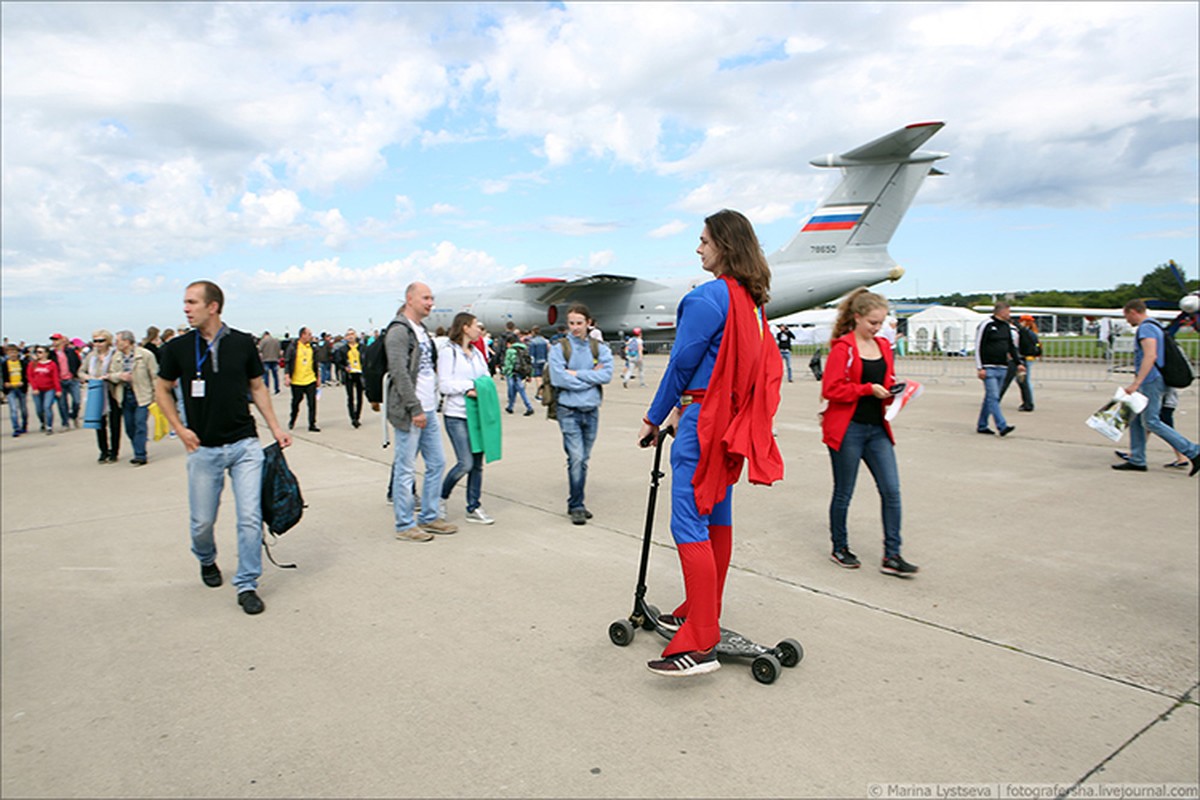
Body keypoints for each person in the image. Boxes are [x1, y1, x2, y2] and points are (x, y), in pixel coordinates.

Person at [636, 209, 784, 676]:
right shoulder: (753, 305)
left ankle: (701, 641)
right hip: (730, 424)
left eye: (703, 241)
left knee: (688, 527)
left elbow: (681, 365)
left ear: (724, 245)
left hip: (703, 423)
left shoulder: (707, 299)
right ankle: (703, 609)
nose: (698, 248)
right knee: (717, 518)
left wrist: (653, 417)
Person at [155, 280, 292, 615]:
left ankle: (247, 583)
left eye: (191, 302)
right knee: (202, 522)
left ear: (212, 306)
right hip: (203, 448)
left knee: (250, 516)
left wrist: (275, 428)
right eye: (185, 302)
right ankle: (206, 558)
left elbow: (257, 387)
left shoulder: (243, 343)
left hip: (245, 444)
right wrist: (180, 429)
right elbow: (162, 389)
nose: (186, 308)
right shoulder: (178, 348)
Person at [821, 288, 918, 577]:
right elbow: (830, 389)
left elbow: (886, 381)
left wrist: (897, 393)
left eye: (882, 322)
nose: (878, 328)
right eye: (873, 323)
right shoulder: (843, 348)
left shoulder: (884, 347)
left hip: (877, 429)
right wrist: (866, 389)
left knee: (892, 491)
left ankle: (893, 554)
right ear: (857, 317)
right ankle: (840, 547)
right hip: (848, 429)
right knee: (844, 492)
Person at [383, 282, 457, 541]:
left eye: (431, 298)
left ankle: (429, 516)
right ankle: (405, 524)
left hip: (428, 408)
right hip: (411, 411)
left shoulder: (422, 330)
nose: (430, 302)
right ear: (409, 299)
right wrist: (414, 408)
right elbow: (399, 373)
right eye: (425, 298)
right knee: (406, 468)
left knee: (437, 462)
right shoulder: (398, 331)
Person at [1110, 299, 1200, 475]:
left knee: (1151, 421)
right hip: (1152, 378)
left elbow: (1150, 355)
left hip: (1151, 380)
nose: (1127, 320)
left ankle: (1193, 451)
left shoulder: (1146, 328)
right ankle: (1137, 459)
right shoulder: (1156, 326)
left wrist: (1137, 382)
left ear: (1133, 312)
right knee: (1136, 419)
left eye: (1126, 315)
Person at [548, 302, 613, 525]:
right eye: (571, 323)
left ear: (588, 323)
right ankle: (577, 505)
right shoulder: (559, 348)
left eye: (579, 323)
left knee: (583, 460)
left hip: (591, 411)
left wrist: (576, 374)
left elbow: (606, 375)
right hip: (568, 411)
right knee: (576, 458)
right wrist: (588, 379)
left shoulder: (599, 348)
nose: (575, 327)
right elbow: (558, 379)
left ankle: (575, 500)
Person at [438, 312, 499, 524]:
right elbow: (444, 385)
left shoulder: (478, 354)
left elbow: (487, 379)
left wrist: (480, 387)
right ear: (465, 327)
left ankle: (473, 506)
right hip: (457, 415)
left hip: (477, 412)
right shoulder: (448, 353)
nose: (479, 330)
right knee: (464, 463)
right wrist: (469, 387)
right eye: (476, 326)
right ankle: (441, 497)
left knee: (477, 464)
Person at [973, 301, 1023, 437]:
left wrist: (1018, 362)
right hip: (988, 367)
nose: (1009, 314)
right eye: (1008, 311)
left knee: (990, 398)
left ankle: (982, 425)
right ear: (1000, 311)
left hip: (1002, 367)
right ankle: (1002, 425)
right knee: (994, 397)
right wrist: (980, 367)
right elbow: (978, 346)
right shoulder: (987, 324)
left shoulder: (1007, 327)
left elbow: (1011, 346)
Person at [110, 330, 158, 466]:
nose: (116, 343)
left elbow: (154, 375)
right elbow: (111, 375)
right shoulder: (116, 357)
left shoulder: (145, 355)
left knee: (140, 424)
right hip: (125, 395)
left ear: (127, 341)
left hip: (142, 394)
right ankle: (139, 444)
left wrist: (156, 396)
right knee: (129, 427)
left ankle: (140, 454)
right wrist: (120, 376)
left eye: (118, 341)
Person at [79, 330, 122, 462]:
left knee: (115, 423)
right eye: (95, 341)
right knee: (99, 423)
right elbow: (80, 371)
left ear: (108, 341)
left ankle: (114, 451)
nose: (97, 344)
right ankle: (103, 451)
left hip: (112, 391)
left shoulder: (115, 354)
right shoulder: (91, 356)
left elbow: (120, 371)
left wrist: (109, 376)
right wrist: (89, 377)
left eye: (101, 341)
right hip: (96, 391)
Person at [284, 327, 321, 432]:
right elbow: (287, 361)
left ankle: (312, 424)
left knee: (312, 403)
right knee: (296, 402)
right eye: (309, 334)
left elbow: (316, 363)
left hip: (310, 379)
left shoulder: (313, 348)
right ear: (302, 335)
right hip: (297, 380)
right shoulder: (293, 347)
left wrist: (318, 377)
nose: (311, 336)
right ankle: (292, 419)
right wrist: (287, 375)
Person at [1001, 315, 1039, 412]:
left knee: (1006, 381)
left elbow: (1011, 345)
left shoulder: (1012, 331)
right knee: (1023, 382)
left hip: (1015, 359)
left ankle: (994, 401)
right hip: (1024, 358)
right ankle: (1028, 403)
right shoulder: (1025, 331)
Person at [26, 344, 62, 435]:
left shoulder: (52, 364)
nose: (39, 354)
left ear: (46, 353)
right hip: (37, 390)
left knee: (47, 407)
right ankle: (43, 422)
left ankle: (49, 426)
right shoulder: (33, 364)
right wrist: (34, 388)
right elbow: (30, 376)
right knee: (39, 409)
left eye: (41, 352)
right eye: (37, 352)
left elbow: (55, 377)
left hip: (49, 388)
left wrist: (58, 390)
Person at [49, 333, 82, 429]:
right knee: (62, 404)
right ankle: (65, 422)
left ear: (62, 340)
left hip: (72, 379)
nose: (55, 342)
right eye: (53, 340)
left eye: (57, 340)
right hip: (59, 381)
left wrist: (77, 375)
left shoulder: (71, 352)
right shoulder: (51, 354)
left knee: (77, 401)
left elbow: (78, 363)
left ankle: (74, 415)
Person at [333, 328, 366, 428]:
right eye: (348, 335)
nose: (350, 336)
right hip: (349, 374)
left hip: (360, 373)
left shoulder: (362, 347)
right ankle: (353, 417)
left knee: (360, 396)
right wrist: (344, 368)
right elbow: (338, 362)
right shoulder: (342, 349)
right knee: (350, 396)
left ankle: (357, 415)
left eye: (352, 334)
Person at [501, 331, 535, 415]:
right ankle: (510, 406)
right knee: (518, 389)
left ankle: (528, 406)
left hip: (512, 373)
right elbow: (528, 362)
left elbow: (508, 363)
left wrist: (504, 372)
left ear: (509, 343)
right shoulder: (524, 348)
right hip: (521, 372)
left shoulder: (510, 351)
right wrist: (529, 374)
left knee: (513, 390)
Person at [3, 343, 29, 436]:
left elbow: (27, 376)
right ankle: (16, 428)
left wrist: (24, 382)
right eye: (10, 352)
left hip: (20, 387)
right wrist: (4, 385)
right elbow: (3, 377)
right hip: (10, 389)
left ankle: (24, 424)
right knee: (13, 409)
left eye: (14, 352)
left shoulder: (22, 363)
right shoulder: (4, 364)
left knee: (23, 409)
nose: (12, 354)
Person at [527, 325, 549, 395]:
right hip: (544, 360)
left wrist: (530, 363)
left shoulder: (532, 342)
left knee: (538, 377)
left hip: (536, 361)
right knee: (543, 377)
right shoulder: (544, 341)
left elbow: (531, 354)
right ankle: (544, 390)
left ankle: (540, 392)